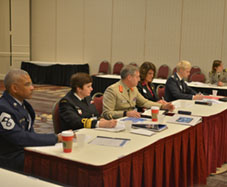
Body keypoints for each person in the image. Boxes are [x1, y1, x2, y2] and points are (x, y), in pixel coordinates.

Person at [0, 69, 62, 173]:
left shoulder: (24, 105)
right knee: (54, 166)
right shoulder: (3, 109)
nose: (32, 88)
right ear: (15, 88)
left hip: (24, 151)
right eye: (27, 84)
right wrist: (54, 138)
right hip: (9, 160)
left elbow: (29, 133)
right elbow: (19, 138)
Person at [102, 65, 174, 119]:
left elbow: (144, 102)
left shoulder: (133, 89)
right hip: (117, 122)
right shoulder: (112, 90)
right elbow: (107, 113)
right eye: (137, 77)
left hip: (131, 120)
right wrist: (125, 113)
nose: (139, 79)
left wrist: (162, 106)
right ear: (129, 77)